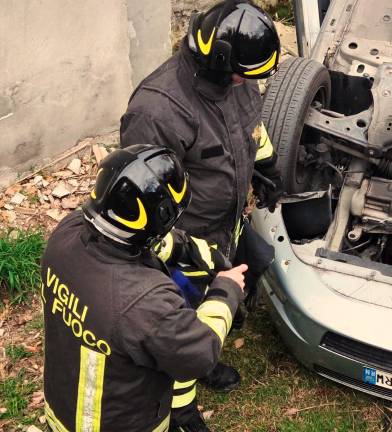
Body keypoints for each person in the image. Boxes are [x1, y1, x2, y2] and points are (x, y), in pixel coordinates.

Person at [119, 1, 283, 428]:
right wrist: (173, 251)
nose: (247, 83)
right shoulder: (157, 110)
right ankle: (180, 410)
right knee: (182, 325)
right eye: (241, 75)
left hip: (225, 224)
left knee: (226, 290)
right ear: (215, 60)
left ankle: (206, 359)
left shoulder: (239, 77)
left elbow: (251, 127)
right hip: (183, 240)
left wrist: (265, 163)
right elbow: (140, 196)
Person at [41, 145, 247, 432]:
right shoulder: (145, 304)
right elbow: (201, 353)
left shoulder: (66, 234)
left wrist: (182, 247)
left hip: (60, 410)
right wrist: (226, 289)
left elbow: (128, 240)